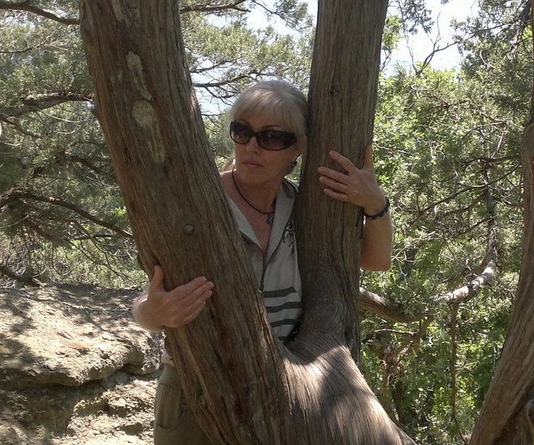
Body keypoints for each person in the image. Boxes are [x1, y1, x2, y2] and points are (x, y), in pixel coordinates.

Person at [132, 79, 393, 444]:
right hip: (196, 393)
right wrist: (153, 314)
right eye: (242, 131)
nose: (252, 146)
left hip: (286, 393)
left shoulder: (307, 210)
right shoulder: (197, 204)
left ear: (299, 148)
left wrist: (375, 203)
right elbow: (148, 302)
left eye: (271, 137)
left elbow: (377, 260)